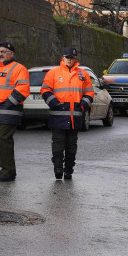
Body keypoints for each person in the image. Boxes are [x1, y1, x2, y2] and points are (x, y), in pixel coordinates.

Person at [41, 47, 95, 180]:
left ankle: (69, 170)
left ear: (75, 59)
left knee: (71, 146)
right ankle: (58, 169)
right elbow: (45, 90)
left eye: (72, 58)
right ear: (63, 57)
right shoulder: (53, 73)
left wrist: (82, 105)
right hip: (58, 116)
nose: (69, 60)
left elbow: (89, 92)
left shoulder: (83, 74)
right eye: (67, 57)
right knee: (58, 145)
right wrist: (54, 103)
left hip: (74, 117)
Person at [0, 41, 30, 182]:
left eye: (3, 51)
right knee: (1, 141)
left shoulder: (19, 68)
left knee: (4, 139)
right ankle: (5, 169)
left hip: (9, 112)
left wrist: (8, 104)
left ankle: (9, 171)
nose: (0, 54)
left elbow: (23, 89)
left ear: (11, 53)